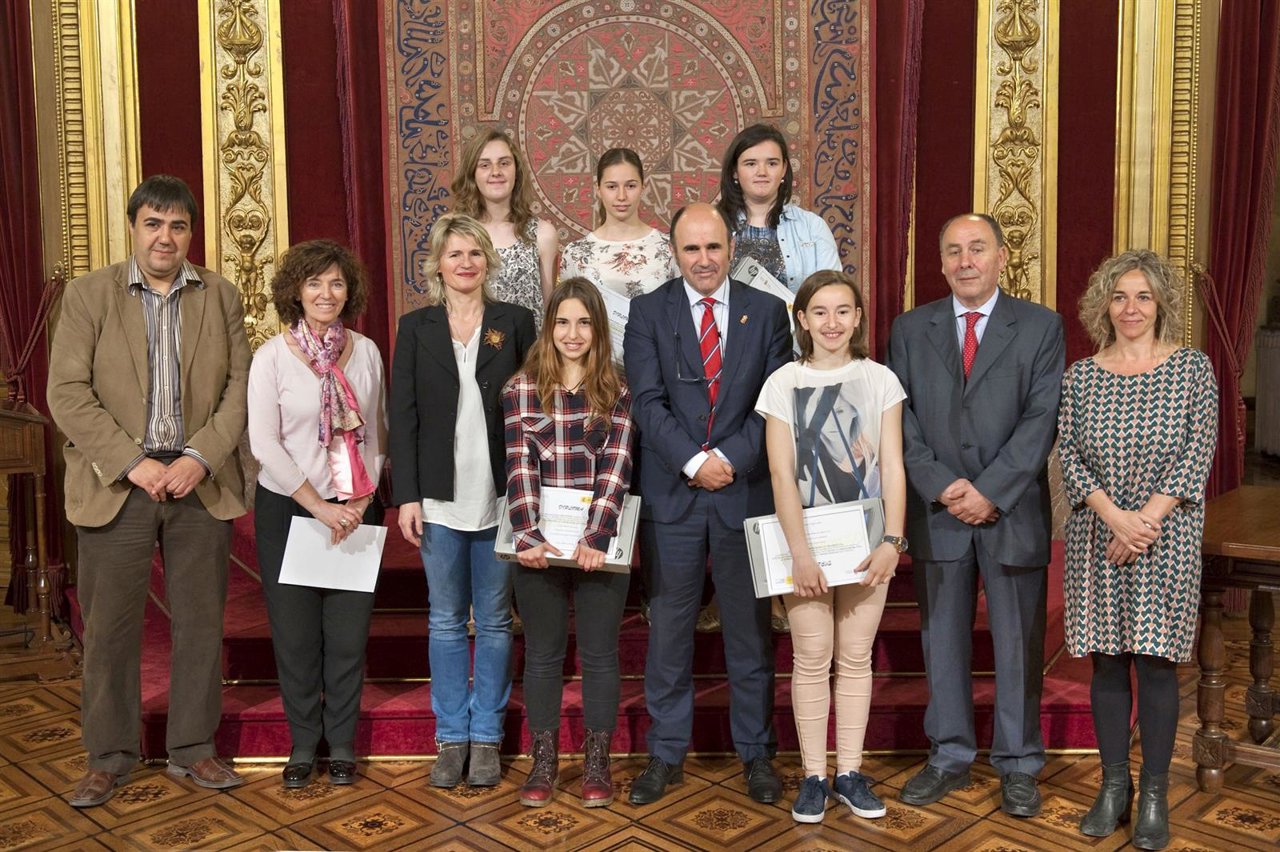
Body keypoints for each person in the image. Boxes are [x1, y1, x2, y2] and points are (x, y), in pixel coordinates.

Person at [48, 175, 250, 807]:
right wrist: (134, 463)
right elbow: (67, 393)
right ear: (133, 227)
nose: (166, 237)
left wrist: (199, 457)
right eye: (154, 224)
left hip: (197, 482)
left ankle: (194, 748)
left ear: (192, 232)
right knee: (109, 628)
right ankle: (108, 755)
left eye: (179, 226)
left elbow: (238, 390)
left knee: (199, 623)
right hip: (118, 483)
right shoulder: (88, 295)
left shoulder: (220, 295)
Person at [887, 213, 1064, 817]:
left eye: (977, 249)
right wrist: (943, 486)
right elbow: (900, 423)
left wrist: (990, 490)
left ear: (1001, 257)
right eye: (954, 250)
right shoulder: (910, 329)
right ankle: (950, 756)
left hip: (1010, 511)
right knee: (942, 641)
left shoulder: (1041, 327)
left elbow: (1042, 419)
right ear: (940, 263)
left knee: (1017, 643)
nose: (966, 260)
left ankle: (1017, 762)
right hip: (939, 512)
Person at [623, 202, 792, 806]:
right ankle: (665, 754)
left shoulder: (769, 312)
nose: (703, 259)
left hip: (744, 496)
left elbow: (775, 403)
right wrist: (695, 462)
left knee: (748, 633)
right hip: (674, 497)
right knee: (669, 633)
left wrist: (731, 461)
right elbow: (646, 402)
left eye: (713, 247)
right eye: (691, 249)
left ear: (731, 249)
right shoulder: (648, 312)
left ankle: (756, 754)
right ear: (675, 251)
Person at [1059, 250, 1216, 850]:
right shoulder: (1081, 374)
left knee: (1155, 664)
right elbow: (1068, 453)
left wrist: (1144, 521)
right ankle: (1112, 786)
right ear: (1104, 304)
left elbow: (1197, 449)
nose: (1131, 308)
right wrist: (1113, 518)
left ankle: (1153, 794)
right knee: (1104, 661)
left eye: (1143, 296)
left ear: (1161, 305)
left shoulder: (1191, 369)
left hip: (1165, 538)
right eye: (1120, 296)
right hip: (1098, 535)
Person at [389, 213, 536, 788]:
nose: (466, 263)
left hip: (499, 495)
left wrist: (530, 494)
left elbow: (533, 406)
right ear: (438, 264)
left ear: (487, 262)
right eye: (455, 254)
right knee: (447, 621)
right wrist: (407, 496)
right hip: (438, 499)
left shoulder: (515, 322)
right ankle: (451, 738)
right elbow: (401, 417)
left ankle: (487, 738)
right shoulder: (415, 326)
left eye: (475, 253)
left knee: (496, 621)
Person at [756, 270, 907, 823]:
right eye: (819, 312)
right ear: (801, 319)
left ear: (859, 318)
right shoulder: (782, 383)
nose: (832, 323)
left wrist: (893, 540)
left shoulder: (879, 379)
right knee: (812, 658)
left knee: (856, 658)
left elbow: (892, 465)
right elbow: (780, 471)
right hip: (806, 546)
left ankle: (849, 772)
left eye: (843, 311)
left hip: (869, 546)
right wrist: (799, 554)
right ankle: (814, 776)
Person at [247, 240, 387, 788]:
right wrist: (316, 507)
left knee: (348, 637)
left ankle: (344, 745)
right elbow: (265, 443)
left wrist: (355, 503)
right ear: (295, 293)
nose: (326, 293)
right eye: (314, 283)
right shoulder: (272, 357)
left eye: (336, 283)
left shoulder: (368, 352)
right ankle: (305, 742)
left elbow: (376, 432)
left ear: (348, 291)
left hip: (354, 510)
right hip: (288, 510)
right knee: (298, 637)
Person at [502, 278, 635, 809]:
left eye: (583, 323)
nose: (572, 333)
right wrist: (527, 536)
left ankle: (597, 758)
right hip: (537, 547)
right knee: (542, 656)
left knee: (601, 655)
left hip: (597, 546)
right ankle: (544, 757)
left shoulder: (618, 391)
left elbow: (617, 468)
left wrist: (597, 536)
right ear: (548, 327)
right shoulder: (521, 388)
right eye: (562, 322)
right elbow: (518, 465)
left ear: (597, 329)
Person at [450, 128, 558, 328]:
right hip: (471, 353)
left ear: (516, 171)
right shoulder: (454, 232)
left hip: (527, 354)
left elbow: (550, 310)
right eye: (485, 165)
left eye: (504, 163)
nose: (496, 172)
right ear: (472, 174)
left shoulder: (542, 234)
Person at [718, 123, 841, 294]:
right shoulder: (713, 226)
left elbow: (833, 295)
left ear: (784, 169)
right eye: (751, 163)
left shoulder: (812, 227)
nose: (762, 172)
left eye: (772, 163)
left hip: (793, 321)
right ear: (734, 171)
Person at [558, 147, 677, 299]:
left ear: (643, 188)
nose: (622, 196)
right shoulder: (575, 253)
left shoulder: (669, 249)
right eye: (612, 187)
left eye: (630, 186)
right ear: (598, 189)